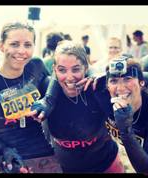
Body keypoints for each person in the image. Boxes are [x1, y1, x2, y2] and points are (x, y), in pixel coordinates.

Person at [0, 22, 62, 173]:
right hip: (16, 164)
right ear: (1, 46)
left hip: (50, 160)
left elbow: (56, 78)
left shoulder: (36, 66)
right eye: (14, 44)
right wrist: (3, 160)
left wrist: (48, 100)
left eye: (27, 45)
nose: (22, 51)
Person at [29, 40, 124, 173]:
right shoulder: (45, 88)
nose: (69, 77)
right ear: (55, 70)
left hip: (105, 164)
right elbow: (20, 71)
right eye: (62, 70)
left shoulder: (97, 88)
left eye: (76, 69)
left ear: (86, 68)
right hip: (63, 167)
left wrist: (97, 75)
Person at [94, 56, 148, 173]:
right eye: (113, 81)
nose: (121, 88)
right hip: (117, 163)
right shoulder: (102, 96)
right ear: (107, 85)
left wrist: (125, 130)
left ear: (141, 82)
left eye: (127, 79)